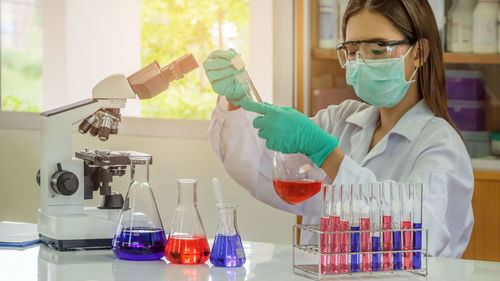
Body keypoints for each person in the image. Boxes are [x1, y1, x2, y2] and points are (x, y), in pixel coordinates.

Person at [204, 0, 473, 258]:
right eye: (354, 51)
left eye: (377, 50)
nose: (362, 62)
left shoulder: (440, 145)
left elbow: (417, 238)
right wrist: (236, 103)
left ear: (419, 53)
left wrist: (329, 156)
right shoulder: (342, 120)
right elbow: (259, 168)